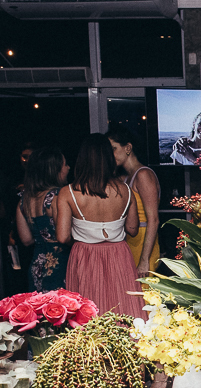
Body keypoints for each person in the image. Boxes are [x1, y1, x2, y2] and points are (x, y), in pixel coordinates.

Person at [57, 134, 143, 318]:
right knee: (123, 309)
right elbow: (132, 229)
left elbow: (62, 237)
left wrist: (85, 238)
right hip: (119, 254)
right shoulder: (126, 189)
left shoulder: (68, 193)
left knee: (88, 314)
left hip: (85, 255)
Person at [107, 124, 161, 278]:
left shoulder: (143, 174)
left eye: (114, 149)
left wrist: (145, 260)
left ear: (128, 147)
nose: (110, 155)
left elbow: (154, 220)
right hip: (130, 241)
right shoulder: (125, 178)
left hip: (144, 243)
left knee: (145, 295)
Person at [15, 146, 71, 291]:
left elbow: (26, 240)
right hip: (61, 264)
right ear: (54, 169)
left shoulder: (24, 200)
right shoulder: (57, 197)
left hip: (37, 266)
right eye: (65, 164)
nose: (68, 168)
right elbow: (63, 236)